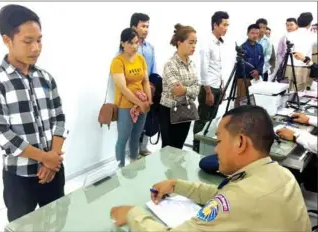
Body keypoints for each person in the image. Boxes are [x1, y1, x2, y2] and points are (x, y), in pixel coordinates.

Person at [110, 105, 311, 231]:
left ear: (240, 143)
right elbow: (223, 193)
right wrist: (175, 185)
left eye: (220, 140)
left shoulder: (241, 197)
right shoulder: (282, 174)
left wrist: (133, 215)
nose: (216, 148)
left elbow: (232, 198)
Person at [0, 4, 67, 222]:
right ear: (7, 40)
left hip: (54, 171)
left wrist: (52, 160)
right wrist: (46, 158)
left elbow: (60, 118)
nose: (36, 47)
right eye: (28, 41)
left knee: (59, 222)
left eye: (39, 40)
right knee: (22, 226)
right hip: (20, 178)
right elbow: (3, 135)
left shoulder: (46, 77)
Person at [110, 28, 152, 167]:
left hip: (141, 104)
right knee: (123, 139)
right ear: (123, 43)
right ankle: (120, 168)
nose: (135, 46)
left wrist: (148, 101)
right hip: (125, 105)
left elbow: (145, 80)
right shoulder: (118, 61)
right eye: (131, 43)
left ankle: (134, 162)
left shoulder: (140, 59)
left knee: (136, 136)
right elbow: (122, 87)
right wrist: (140, 103)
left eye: (136, 43)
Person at [193, 11, 229, 152]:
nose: (226, 28)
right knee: (202, 119)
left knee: (212, 119)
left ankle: (205, 146)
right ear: (215, 25)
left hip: (217, 86)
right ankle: (197, 146)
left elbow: (218, 68)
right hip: (208, 88)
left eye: (227, 25)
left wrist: (223, 87)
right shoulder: (207, 42)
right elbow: (204, 68)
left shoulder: (219, 43)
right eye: (224, 25)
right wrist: (208, 91)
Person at [158, 23, 199, 149]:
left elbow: (197, 89)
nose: (194, 46)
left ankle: (176, 169)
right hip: (170, 110)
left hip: (186, 110)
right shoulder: (170, 64)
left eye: (195, 43)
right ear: (179, 42)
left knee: (179, 147)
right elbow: (176, 91)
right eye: (191, 42)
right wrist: (189, 90)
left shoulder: (192, 64)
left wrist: (186, 89)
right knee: (168, 148)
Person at [130, 13, 158, 157]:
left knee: (147, 119)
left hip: (147, 89)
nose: (146, 29)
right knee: (132, 122)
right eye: (143, 26)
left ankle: (143, 147)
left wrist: (152, 87)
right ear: (134, 27)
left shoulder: (150, 48)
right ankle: (131, 151)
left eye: (147, 26)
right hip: (132, 91)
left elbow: (153, 69)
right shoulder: (127, 47)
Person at [285, 12, 317, 91]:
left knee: (287, 90)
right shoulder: (312, 36)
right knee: (299, 92)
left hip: (289, 65)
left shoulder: (289, 35)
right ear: (309, 24)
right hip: (303, 66)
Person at [234, 24, 264, 108]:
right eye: (252, 33)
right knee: (242, 101)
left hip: (256, 78)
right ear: (248, 34)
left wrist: (258, 70)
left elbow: (262, 60)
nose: (255, 35)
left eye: (257, 33)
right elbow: (241, 63)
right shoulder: (242, 47)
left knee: (254, 101)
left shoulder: (259, 47)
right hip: (244, 78)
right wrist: (252, 71)